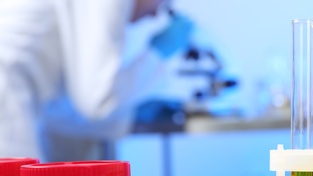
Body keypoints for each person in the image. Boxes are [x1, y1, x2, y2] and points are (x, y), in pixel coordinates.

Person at [0, 0, 193, 161]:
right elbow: (99, 102)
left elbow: (75, 104)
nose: (156, 14)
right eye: (164, 3)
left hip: (16, 96)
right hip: (6, 94)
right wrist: (156, 55)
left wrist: (131, 111)